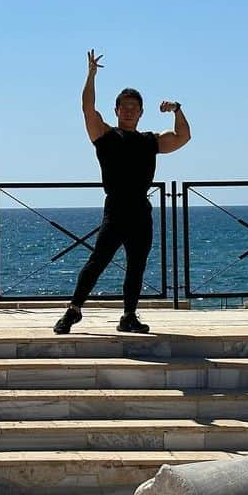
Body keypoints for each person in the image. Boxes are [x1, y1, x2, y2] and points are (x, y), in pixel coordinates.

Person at [54, 50, 191, 334]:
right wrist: (91, 75)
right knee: (97, 261)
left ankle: (129, 316)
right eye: (124, 107)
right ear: (116, 110)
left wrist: (177, 109)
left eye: (134, 107)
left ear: (141, 112)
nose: (129, 111)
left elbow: (182, 137)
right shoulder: (105, 136)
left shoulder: (149, 141)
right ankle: (74, 310)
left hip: (141, 211)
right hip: (116, 210)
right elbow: (87, 109)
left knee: (136, 266)